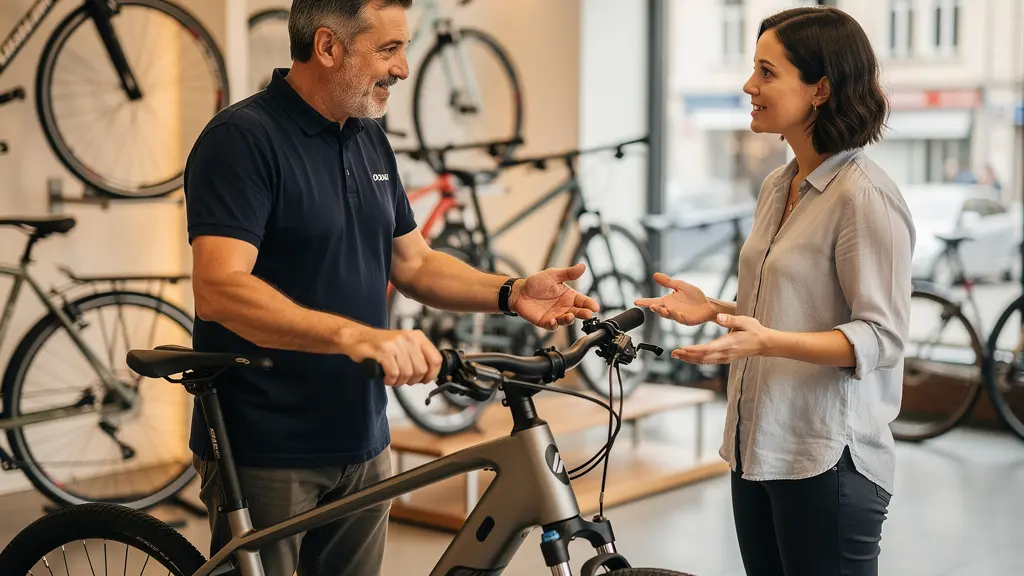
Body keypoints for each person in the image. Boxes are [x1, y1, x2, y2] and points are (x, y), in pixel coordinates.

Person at [181, 1, 600, 575]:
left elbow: (415, 262)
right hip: (268, 445)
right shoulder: (243, 139)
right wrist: (356, 336)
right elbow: (221, 288)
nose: (403, 68)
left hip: (362, 436)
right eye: (388, 49)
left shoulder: (368, 138)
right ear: (328, 47)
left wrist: (511, 291)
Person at [635, 7, 914, 576]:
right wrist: (715, 310)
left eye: (766, 71)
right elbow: (794, 311)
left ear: (821, 89)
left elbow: (880, 337)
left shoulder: (863, 197)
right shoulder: (777, 185)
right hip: (757, 449)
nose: (748, 86)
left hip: (828, 460)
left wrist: (765, 343)